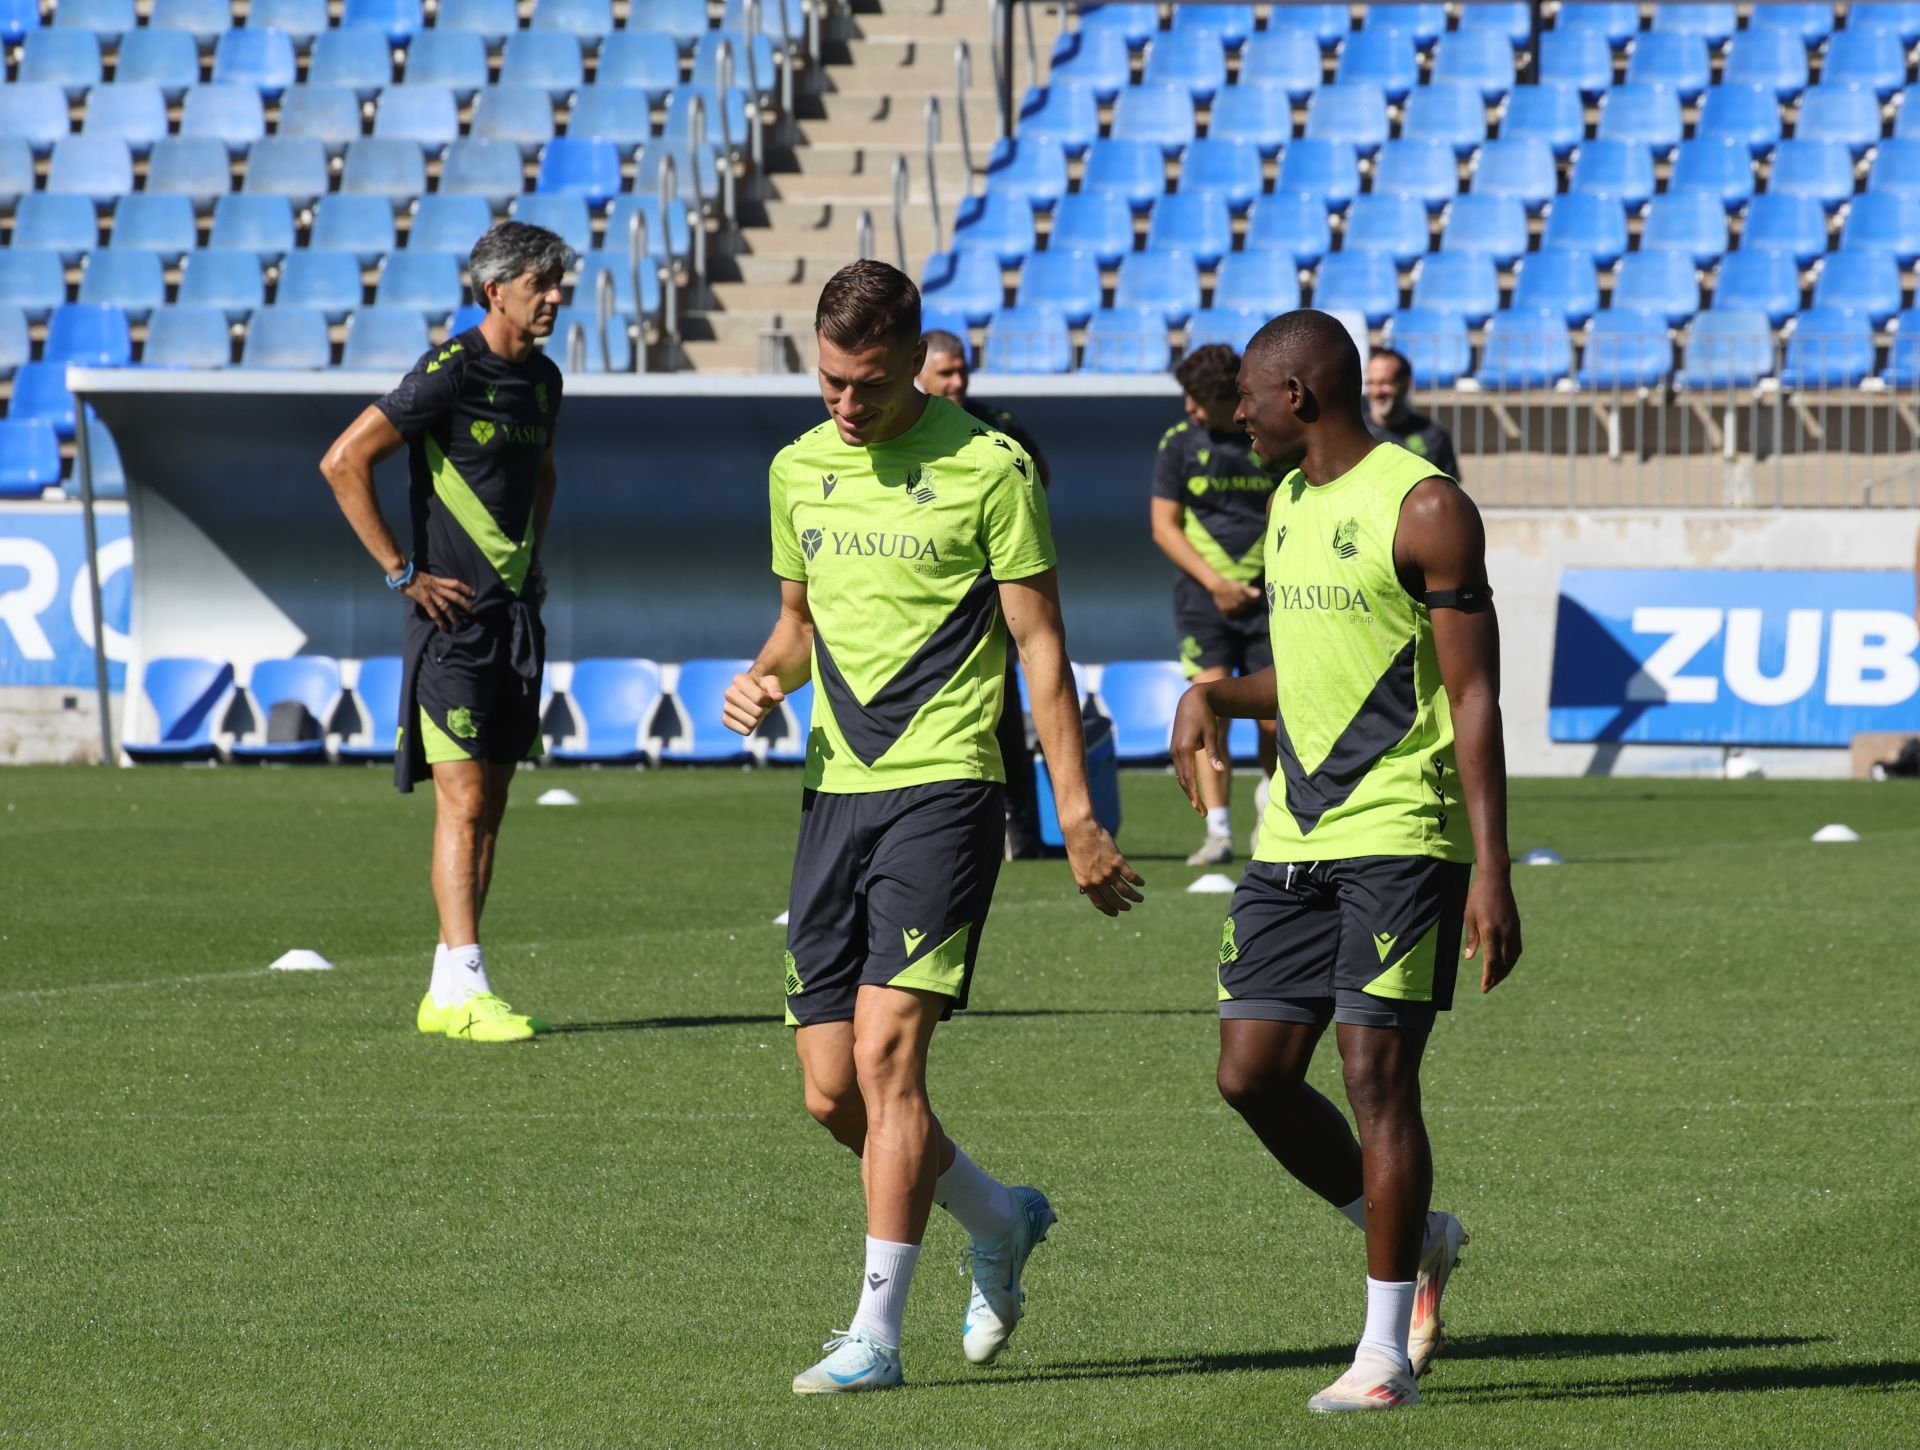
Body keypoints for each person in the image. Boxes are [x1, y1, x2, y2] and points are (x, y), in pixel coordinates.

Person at [724, 260, 1143, 1395]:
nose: (844, 407)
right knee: (829, 1091)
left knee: (888, 1055)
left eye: (864, 384)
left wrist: (1078, 817)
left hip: (949, 788)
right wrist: (766, 678)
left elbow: (1043, 649)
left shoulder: (990, 467)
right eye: (827, 382)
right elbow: (796, 625)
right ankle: (997, 1216)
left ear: (916, 357)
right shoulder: (797, 467)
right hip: (833, 792)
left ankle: (876, 1334)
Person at [1169, 310, 1522, 1413]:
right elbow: (1316, 672)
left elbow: (1472, 695)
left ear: (1300, 399)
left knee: (1377, 1079)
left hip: (1399, 838)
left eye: (1250, 402)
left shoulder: (1425, 507)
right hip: (1293, 840)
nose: (1235, 419)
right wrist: (1216, 691)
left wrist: (1492, 868)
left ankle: (1381, 1358)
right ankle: (1422, 1238)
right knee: (1252, 1075)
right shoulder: (1284, 504)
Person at [319, 221, 571, 1044]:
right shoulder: (448, 372)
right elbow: (343, 461)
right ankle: (466, 985)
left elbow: (542, 472)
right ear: (495, 290)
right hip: (451, 624)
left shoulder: (546, 381)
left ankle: (448, 985)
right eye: (542, 285)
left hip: (511, 623)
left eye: (559, 283)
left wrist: (530, 562)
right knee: (461, 802)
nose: (556, 298)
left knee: (490, 806)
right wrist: (402, 572)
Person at [919, 326, 1051, 858]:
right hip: (925, 605)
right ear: (918, 372)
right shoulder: (895, 434)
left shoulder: (998, 425)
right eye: (945, 371)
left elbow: (1037, 478)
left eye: (962, 370)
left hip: (992, 598)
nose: (957, 380)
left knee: (1005, 708)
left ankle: (1020, 828)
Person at [1150, 343, 1280, 866]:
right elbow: (1163, 525)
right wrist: (1218, 582)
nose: (1189, 408)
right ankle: (1218, 832)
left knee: (1277, 717)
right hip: (1203, 599)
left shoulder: (1268, 439)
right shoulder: (1178, 444)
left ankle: (1277, 810)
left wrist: (1259, 575)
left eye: (1199, 398)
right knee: (1208, 707)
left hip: (1271, 595)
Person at [1366, 348, 1461, 484]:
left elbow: (1450, 491)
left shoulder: (1434, 436)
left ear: (1406, 385)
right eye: (1371, 383)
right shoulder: (1354, 433)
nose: (1376, 392)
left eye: (1385, 383)